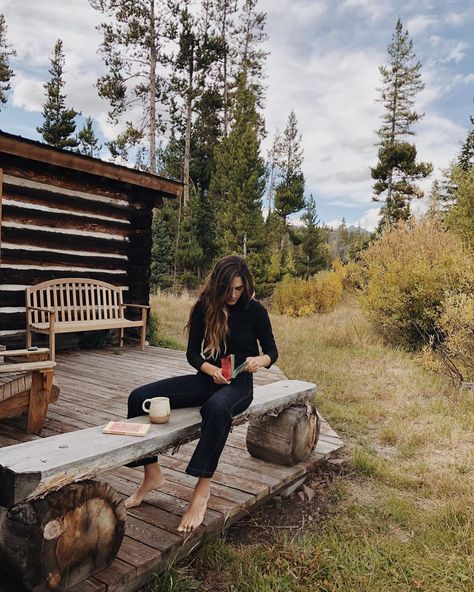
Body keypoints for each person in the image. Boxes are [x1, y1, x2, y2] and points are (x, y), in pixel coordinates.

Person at [124, 255, 278, 533]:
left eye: (239, 289)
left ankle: (201, 490)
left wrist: (260, 361)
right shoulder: (204, 308)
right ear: (217, 284)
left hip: (239, 385)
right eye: (228, 288)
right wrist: (210, 370)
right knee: (138, 397)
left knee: (217, 409)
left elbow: (272, 351)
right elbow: (192, 354)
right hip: (207, 379)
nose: (233, 295)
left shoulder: (255, 311)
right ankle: (151, 475)